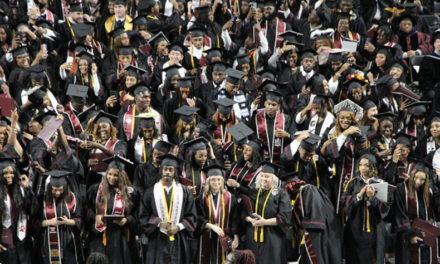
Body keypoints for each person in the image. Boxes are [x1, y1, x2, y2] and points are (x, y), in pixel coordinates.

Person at [138, 154, 197, 264]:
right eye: (165, 169)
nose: (167, 172)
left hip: (178, 239)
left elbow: (192, 215)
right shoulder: (150, 192)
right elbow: (143, 215)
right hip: (157, 239)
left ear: (175, 172)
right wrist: (159, 222)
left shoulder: (185, 192)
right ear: (161, 170)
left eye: (171, 169)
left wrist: (178, 227)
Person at [230, 162, 292, 264]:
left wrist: (264, 222)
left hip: (272, 237)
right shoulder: (252, 192)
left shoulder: (281, 194)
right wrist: (249, 219)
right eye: (261, 176)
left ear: (273, 178)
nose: (263, 179)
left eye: (267, 176)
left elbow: (284, 217)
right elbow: (243, 212)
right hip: (252, 237)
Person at [85, 155, 141, 264]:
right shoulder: (95, 190)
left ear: (122, 176)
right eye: (109, 174)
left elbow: (138, 212)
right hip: (99, 236)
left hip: (121, 237)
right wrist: (95, 216)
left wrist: (127, 220)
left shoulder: (131, 193)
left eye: (116, 175)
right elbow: (86, 207)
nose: (112, 177)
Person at [342, 153, 391, 264]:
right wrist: (359, 195)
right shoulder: (352, 183)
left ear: (373, 167)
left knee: (374, 258)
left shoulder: (381, 184)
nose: (363, 168)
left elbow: (385, 209)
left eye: (366, 165)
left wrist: (372, 198)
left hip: (375, 229)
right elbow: (345, 204)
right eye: (360, 165)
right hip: (355, 228)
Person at [393, 160, 440, 264]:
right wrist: (410, 235)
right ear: (412, 174)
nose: (418, 181)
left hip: (429, 234)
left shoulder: (432, 190)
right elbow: (399, 213)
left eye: (422, 179)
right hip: (409, 234)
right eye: (416, 177)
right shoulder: (401, 189)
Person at [33, 170, 84, 264]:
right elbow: (34, 221)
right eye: (54, 189)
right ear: (49, 187)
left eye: (60, 189)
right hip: (47, 242)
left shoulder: (73, 198)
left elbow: (79, 219)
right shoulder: (41, 199)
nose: (57, 192)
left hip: (68, 242)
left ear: (65, 187)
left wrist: (67, 221)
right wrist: (50, 222)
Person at [195, 164, 240, 264]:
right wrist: (210, 225)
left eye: (219, 179)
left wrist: (236, 238)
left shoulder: (230, 197)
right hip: (206, 236)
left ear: (222, 181)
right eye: (213, 179)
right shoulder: (201, 198)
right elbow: (197, 217)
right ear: (208, 181)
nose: (216, 182)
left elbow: (235, 219)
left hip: (224, 237)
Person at [0, 156, 37, 264]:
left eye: (12, 172)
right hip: (4, 239)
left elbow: (33, 209)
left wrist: (27, 189)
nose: (9, 176)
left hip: (22, 240)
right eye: (5, 173)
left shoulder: (20, 190)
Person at [250, 90, 296, 164]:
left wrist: (287, 135)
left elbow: (294, 137)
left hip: (281, 161)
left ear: (279, 106)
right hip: (261, 160)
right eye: (269, 104)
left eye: (274, 105)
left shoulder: (286, 119)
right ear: (265, 103)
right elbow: (251, 137)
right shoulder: (256, 118)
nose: (270, 107)